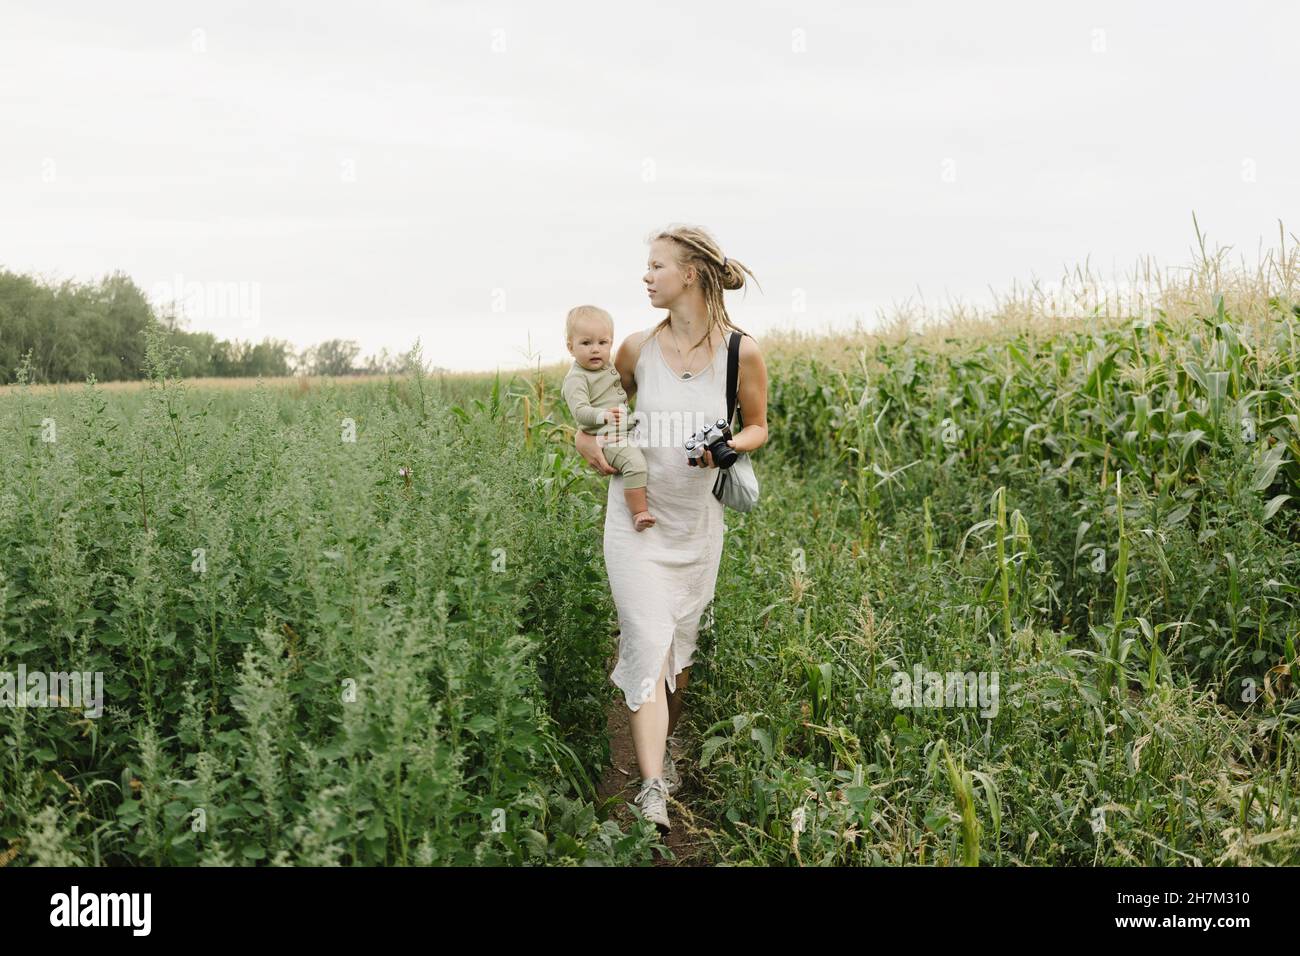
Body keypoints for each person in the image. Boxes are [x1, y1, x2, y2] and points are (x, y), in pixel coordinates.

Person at [574, 224, 769, 834]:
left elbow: (760, 426)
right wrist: (587, 441)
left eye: (656, 266)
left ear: (690, 274)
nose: (646, 276)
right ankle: (652, 787)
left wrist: (728, 446)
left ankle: (665, 755)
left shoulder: (743, 352)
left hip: (695, 527)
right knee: (647, 640)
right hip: (635, 522)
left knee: (678, 654)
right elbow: (603, 414)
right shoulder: (634, 349)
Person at [560, 305, 655, 531]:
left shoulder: (605, 368)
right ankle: (639, 512)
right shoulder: (577, 379)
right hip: (606, 437)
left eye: (602, 343)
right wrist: (603, 416)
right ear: (570, 347)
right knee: (635, 464)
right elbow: (580, 411)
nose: (595, 350)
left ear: (611, 343)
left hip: (622, 429)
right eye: (586, 343)